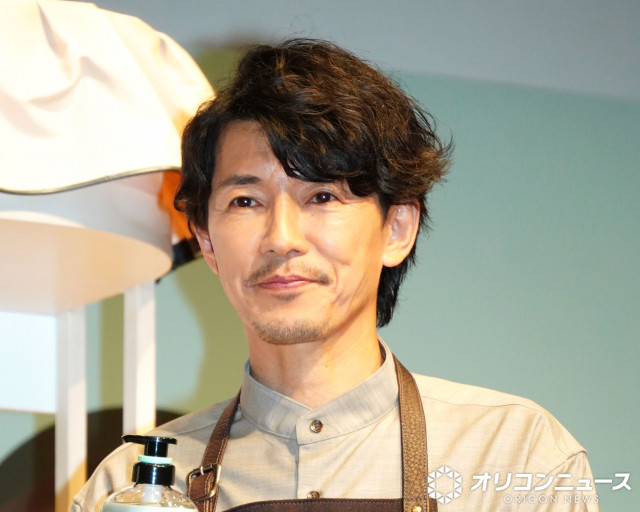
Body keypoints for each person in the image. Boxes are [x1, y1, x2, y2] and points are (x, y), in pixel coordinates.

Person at [73, 39, 598, 512]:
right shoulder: (128, 490)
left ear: (397, 228)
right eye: (246, 200)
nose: (282, 238)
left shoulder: (518, 459)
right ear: (207, 241)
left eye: (322, 196)